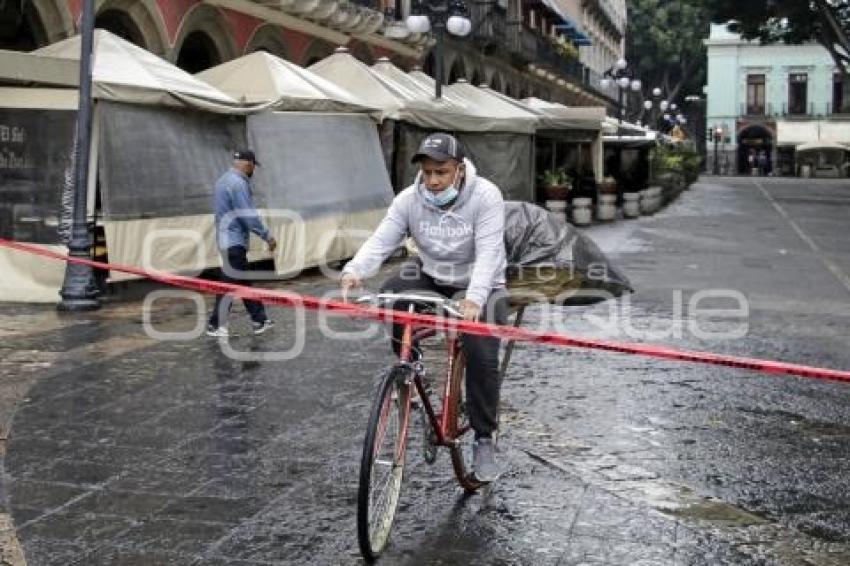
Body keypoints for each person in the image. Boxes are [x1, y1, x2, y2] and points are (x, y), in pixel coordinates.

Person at [340, 133, 508, 483]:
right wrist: (355, 269)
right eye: (428, 172)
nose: (433, 181)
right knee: (391, 297)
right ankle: (412, 369)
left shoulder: (486, 196)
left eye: (442, 172)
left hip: (480, 279)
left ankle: (483, 437)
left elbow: (490, 252)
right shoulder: (409, 199)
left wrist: (475, 298)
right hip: (431, 272)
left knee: (480, 345)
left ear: (459, 170)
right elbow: (383, 239)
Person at [206, 149, 277, 337]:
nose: (254, 170)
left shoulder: (222, 180)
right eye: (254, 166)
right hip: (234, 241)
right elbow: (248, 216)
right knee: (229, 283)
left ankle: (259, 320)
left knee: (243, 281)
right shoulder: (238, 184)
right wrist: (267, 236)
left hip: (225, 239)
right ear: (248, 164)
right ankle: (215, 324)